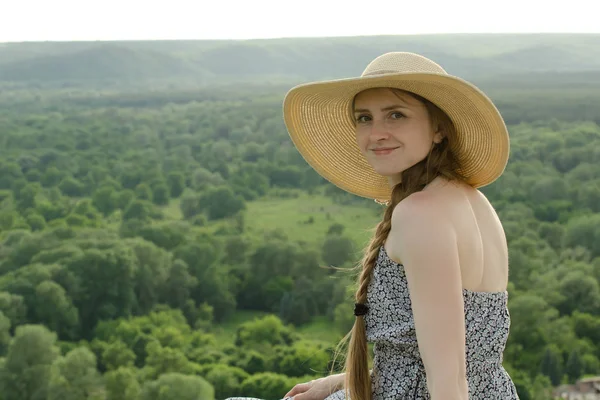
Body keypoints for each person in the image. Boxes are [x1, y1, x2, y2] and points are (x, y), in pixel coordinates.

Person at [225, 52, 519, 399]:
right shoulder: (472, 200)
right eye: (364, 118)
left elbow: (448, 380)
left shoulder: (420, 213)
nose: (376, 133)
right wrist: (340, 381)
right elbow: (438, 359)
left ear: (439, 128)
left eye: (396, 115)